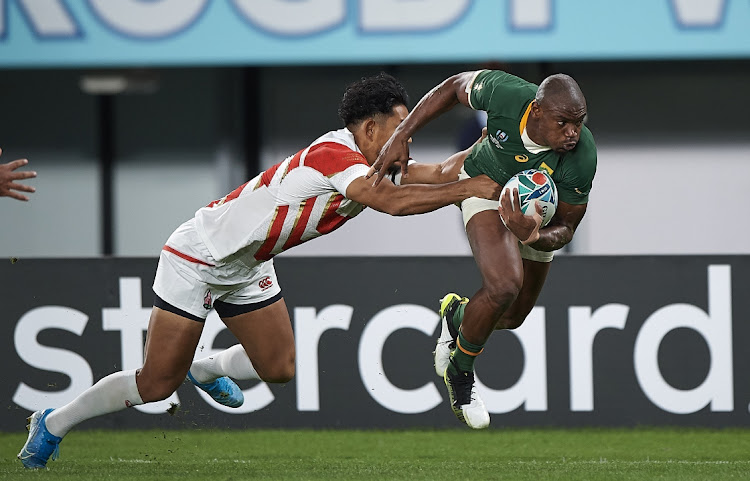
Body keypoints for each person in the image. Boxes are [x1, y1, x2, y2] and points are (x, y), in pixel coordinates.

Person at [18, 73, 502, 469]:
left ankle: (206, 369)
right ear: (372, 129)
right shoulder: (334, 154)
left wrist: (488, 156)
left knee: (279, 369)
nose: (408, 140)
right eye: (402, 130)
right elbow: (393, 203)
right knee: (156, 384)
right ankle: (53, 422)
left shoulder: (375, 160)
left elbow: (440, 174)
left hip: (247, 265)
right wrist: (466, 190)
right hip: (199, 257)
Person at [367, 70, 597, 429]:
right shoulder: (506, 94)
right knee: (505, 285)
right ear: (536, 111)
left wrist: (534, 237)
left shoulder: (582, 154)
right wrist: (402, 132)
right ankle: (461, 373)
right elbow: (452, 87)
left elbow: (567, 227)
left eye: (579, 122)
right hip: (482, 186)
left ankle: (455, 316)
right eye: (563, 122)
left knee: (511, 315)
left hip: (536, 221)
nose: (573, 133)